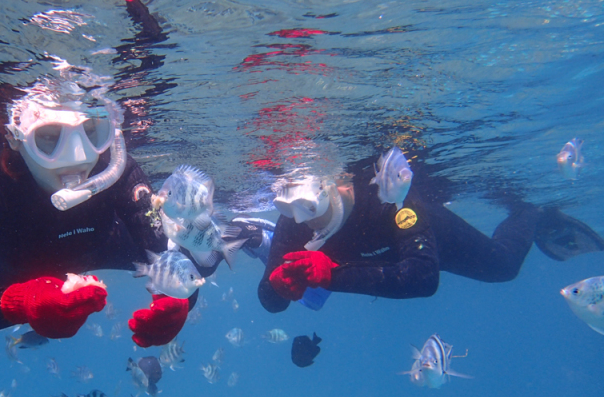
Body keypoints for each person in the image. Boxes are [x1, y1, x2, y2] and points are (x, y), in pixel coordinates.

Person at [0, 78, 197, 347]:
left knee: (201, 255)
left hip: (104, 246)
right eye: (48, 136)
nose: (79, 156)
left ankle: (240, 230)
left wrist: (177, 299)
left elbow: (171, 258)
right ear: (14, 137)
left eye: (91, 131)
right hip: (14, 273)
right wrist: (25, 301)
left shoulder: (119, 168)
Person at [254, 162, 604, 313]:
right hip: (378, 263)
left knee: (503, 265)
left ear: (335, 184)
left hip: (427, 241)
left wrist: (333, 276)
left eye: (311, 210)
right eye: (292, 212)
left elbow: (422, 278)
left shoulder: (392, 199)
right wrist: (277, 286)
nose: (305, 223)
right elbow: (272, 302)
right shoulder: (294, 217)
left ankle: (532, 213)